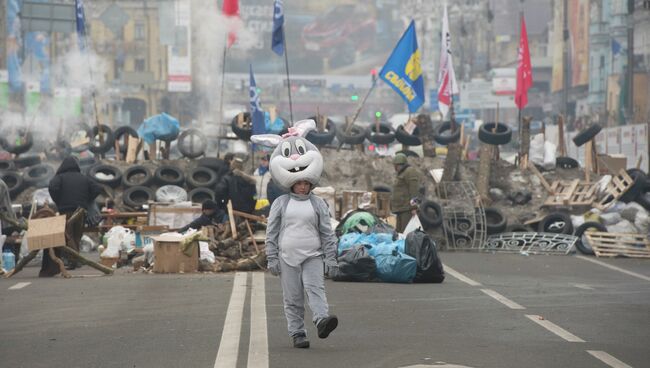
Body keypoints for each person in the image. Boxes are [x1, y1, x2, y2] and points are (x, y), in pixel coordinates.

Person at [253, 119, 338, 349]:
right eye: (298, 182)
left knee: (315, 289)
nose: (302, 186)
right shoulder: (281, 203)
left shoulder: (318, 204)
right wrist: (271, 257)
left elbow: (327, 233)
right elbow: (272, 233)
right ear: (290, 183)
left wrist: (331, 258)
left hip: (312, 255)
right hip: (287, 257)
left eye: (305, 182)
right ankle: (297, 332)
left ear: (310, 182)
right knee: (293, 299)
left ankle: (321, 320)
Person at [46, 156, 103, 275]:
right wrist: (87, 199)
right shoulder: (83, 178)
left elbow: (52, 187)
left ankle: (73, 261)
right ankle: (76, 260)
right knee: (76, 236)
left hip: (66, 211)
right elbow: (98, 188)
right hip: (81, 212)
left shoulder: (59, 177)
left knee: (68, 236)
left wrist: (58, 200)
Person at [390, 153, 423, 233]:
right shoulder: (401, 173)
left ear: (399, 164)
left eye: (395, 165)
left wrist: (414, 207)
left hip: (407, 209)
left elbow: (414, 190)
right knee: (399, 233)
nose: (395, 168)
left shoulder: (410, 171)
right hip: (400, 209)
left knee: (405, 232)